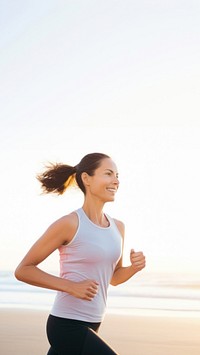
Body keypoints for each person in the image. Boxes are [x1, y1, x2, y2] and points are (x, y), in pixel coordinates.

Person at [15, 152, 146, 355]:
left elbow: (114, 278)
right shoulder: (69, 223)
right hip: (66, 324)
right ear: (86, 179)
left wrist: (134, 268)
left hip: (94, 322)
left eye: (117, 175)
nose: (116, 181)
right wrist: (70, 286)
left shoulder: (118, 227)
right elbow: (23, 270)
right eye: (108, 174)